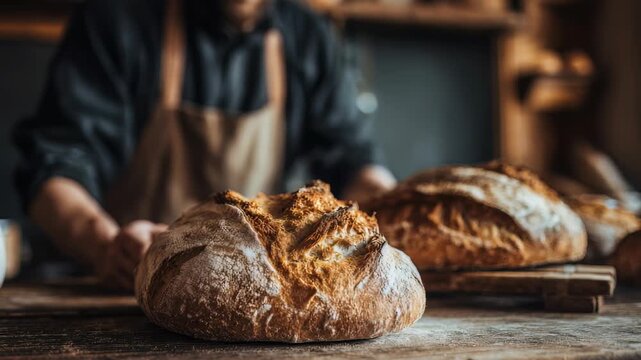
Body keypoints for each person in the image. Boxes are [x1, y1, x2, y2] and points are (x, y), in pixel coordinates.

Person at [12, 0, 396, 289]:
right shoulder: (118, 21)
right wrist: (105, 245)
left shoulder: (308, 38)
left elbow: (354, 159)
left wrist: (394, 208)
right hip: (120, 291)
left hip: (255, 293)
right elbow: (55, 167)